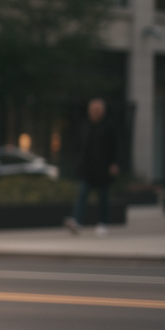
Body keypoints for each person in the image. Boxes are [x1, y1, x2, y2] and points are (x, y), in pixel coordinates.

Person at [64, 98, 119, 236]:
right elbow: (79, 146)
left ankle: (102, 223)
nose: (94, 112)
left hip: (103, 168)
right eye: (92, 110)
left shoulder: (109, 126)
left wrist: (114, 163)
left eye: (97, 110)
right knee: (82, 193)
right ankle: (77, 221)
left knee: (103, 196)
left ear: (103, 111)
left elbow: (116, 147)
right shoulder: (85, 126)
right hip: (88, 168)